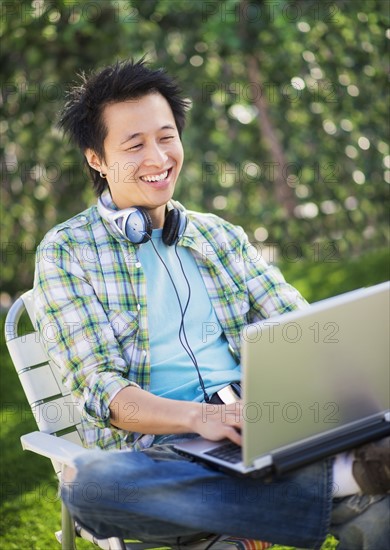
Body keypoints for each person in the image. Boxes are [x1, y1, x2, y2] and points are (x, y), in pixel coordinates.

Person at [33, 59, 389, 549]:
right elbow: (101, 392)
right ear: (96, 158)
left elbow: (299, 326)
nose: (158, 157)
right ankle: (345, 481)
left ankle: (252, 508)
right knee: (91, 485)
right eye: (134, 145)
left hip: (265, 426)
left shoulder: (219, 235)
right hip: (166, 454)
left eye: (166, 136)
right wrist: (201, 419)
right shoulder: (66, 251)